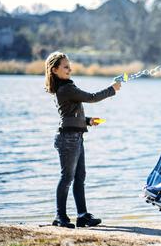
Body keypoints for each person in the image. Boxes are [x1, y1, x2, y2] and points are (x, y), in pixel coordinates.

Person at [45, 52, 121, 228]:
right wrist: (112, 89)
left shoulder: (67, 87)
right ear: (54, 70)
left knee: (80, 177)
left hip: (76, 137)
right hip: (68, 139)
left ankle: (82, 216)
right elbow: (91, 97)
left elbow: (70, 114)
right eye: (65, 66)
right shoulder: (66, 89)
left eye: (69, 66)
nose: (69, 69)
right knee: (67, 178)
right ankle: (60, 217)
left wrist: (87, 121)